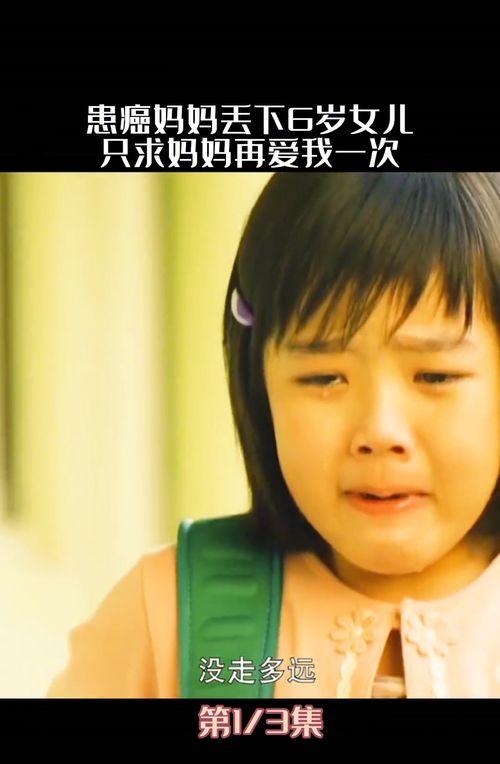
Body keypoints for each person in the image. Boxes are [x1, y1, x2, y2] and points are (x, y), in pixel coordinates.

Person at [47, 172, 500, 699]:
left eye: (436, 376)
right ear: (260, 384)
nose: (380, 431)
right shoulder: (169, 616)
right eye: (324, 378)